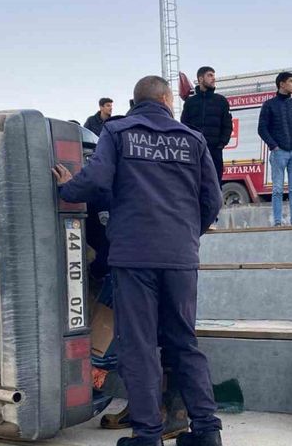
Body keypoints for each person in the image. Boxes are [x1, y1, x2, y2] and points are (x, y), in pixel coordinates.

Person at [53, 75, 224, 446]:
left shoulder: (117, 132)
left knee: (140, 345)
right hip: (179, 257)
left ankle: (148, 436)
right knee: (183, 342)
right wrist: (185, 236)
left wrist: (67, 185)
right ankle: (207, 432)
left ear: (136, 102)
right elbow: (213, 200)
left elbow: (97, 181)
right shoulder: (192, 139)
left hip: (134, 256)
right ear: (166, 99)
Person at [257, 71, 292, 226]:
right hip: (279, 153)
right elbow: (262, 129)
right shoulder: (269, 105)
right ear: (282, 84)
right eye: (291, 81)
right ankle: (277, 222)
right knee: (277, 190)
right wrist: (274, 146)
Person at [180, 66, 233, 185]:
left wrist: (221, 144)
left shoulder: (221, 101)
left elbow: (227, 125)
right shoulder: (190, 102)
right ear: (200, 79)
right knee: (195, 184)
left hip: (214, 151)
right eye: (210, 75)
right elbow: (184, 125)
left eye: (214, 76)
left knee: (215, 185)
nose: (213, 79)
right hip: (195, 151)